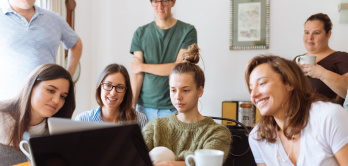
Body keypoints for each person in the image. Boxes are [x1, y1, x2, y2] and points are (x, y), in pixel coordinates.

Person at [246, 55, 348, 166]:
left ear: (289, 83)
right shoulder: (257, 137)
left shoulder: (329, 116)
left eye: (262, 83)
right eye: (251, 89)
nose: (254, 95)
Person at [142, 44, 231, 166]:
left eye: (185, 90)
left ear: (200, 91)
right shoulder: (154, 127)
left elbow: (208, 164)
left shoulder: (217, 132)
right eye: (173, 90)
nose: (178, 97)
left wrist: (170, 164)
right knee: (160, 153)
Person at [0, 0, 83, 100]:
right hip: (7, 102)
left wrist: (68, 76)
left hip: (47, 101)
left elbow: (76, 43)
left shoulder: (54, 19)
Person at [130, 0, 197, 121]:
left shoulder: (188, 31)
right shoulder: (140, 33)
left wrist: (142, 66)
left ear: (173, 2)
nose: (160, 6)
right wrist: (131, 107)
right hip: (143, 108)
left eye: (164, 1)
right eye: (155, 1)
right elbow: (137, 74)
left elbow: (178, 68)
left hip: (173, 107)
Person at [0, 64, 76, 166]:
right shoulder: (2, 116)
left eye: (63, 96)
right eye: (51, 90)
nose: (57, 100)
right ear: (31, 86)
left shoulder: (57, 131)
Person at [295, 13, 348, 105]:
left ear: (328, 34)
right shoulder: (297, 59)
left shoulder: (342, 58)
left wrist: (321, 73)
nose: (310, 38)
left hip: (329, 118)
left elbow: (347, 91)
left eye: (316, 33)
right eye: (306, 32)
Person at [75, 63, 148, 129]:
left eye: (120, 87)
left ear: (126, 92)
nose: (113, 93)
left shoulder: (140, 120)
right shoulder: (82, 120)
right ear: (100, 87)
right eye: (108, 85)